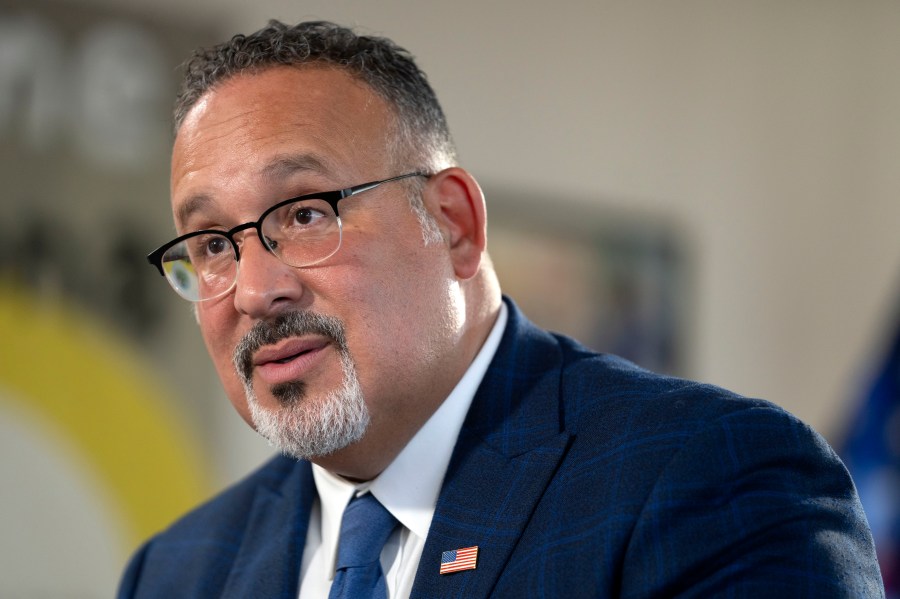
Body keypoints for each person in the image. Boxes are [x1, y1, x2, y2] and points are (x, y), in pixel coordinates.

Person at [118, 20, 884, 598]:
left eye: (306, 214)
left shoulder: (714, 479)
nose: (255, 291)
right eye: (213, 243)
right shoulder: (176, 571)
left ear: (452, 223)